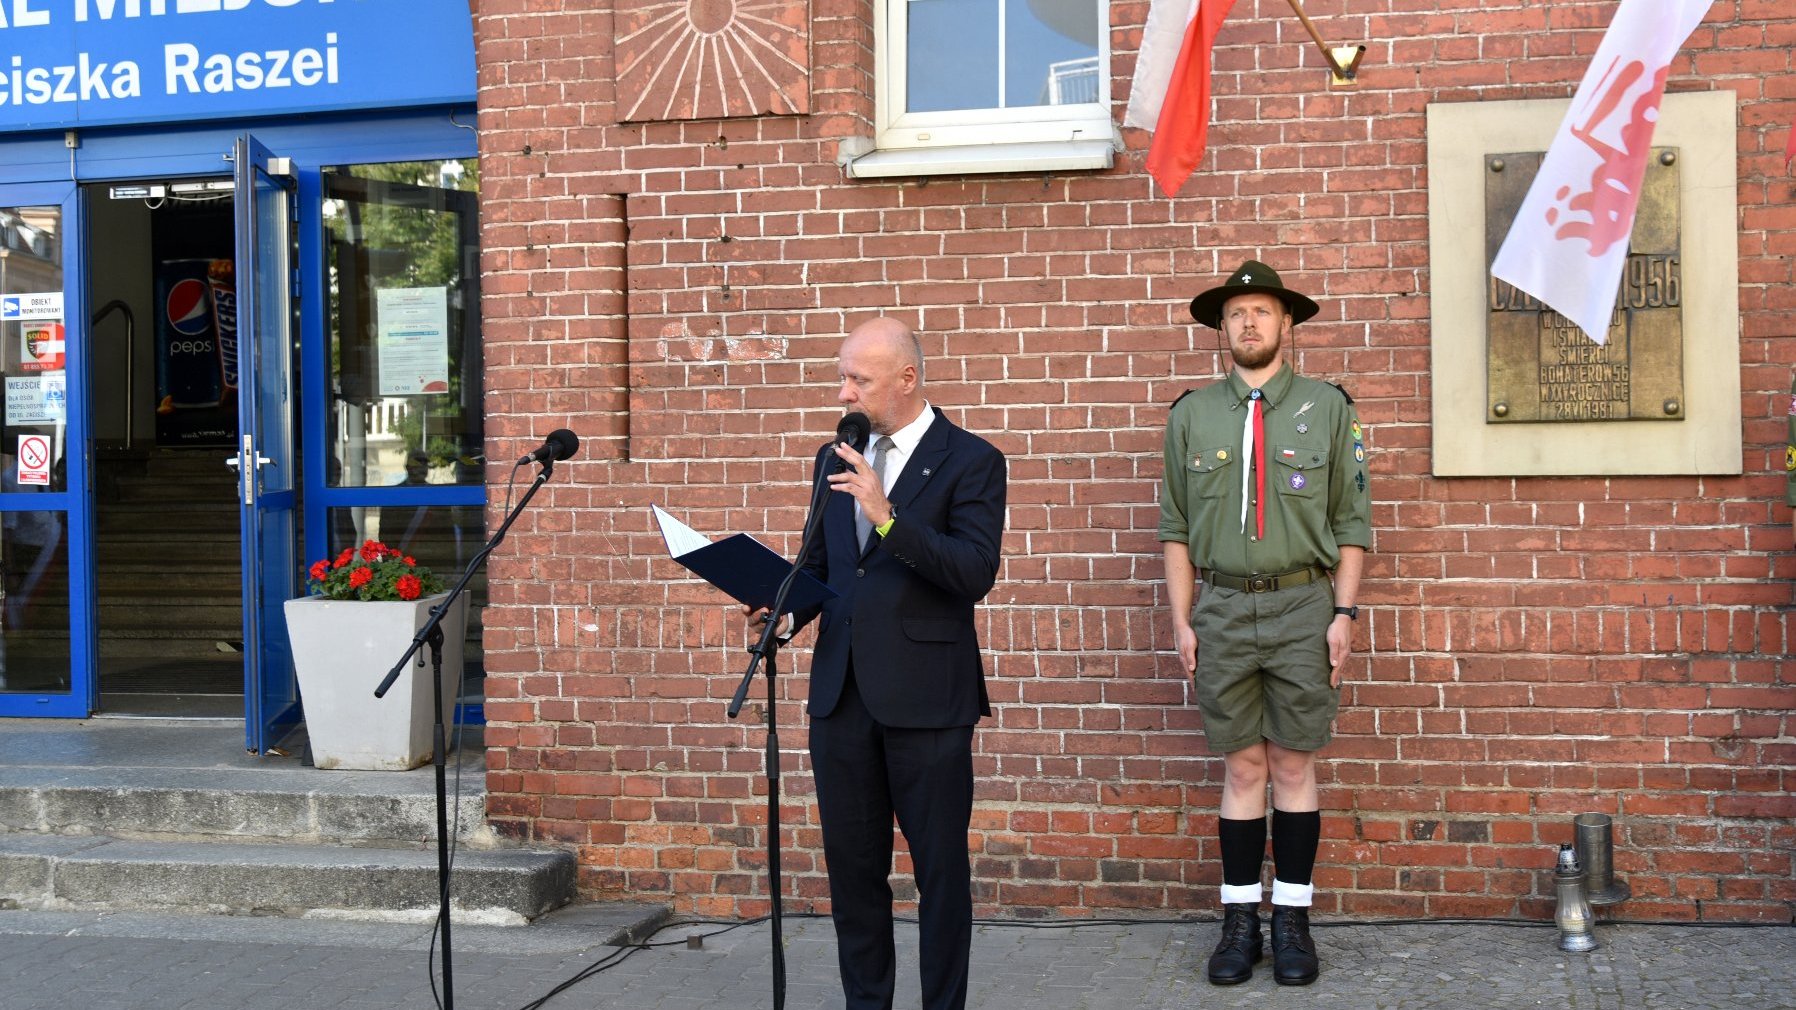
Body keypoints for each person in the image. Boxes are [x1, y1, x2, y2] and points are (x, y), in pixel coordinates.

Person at [752, 316, 1006, 1010]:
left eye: (857, 379)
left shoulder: (972, 460)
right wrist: (784, 611)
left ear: (906, 379)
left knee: (940, 875)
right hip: (841, 696)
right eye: (843, 375)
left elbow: (973, 571)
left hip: (928, 700)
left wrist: (888, 517)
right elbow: (823, 563)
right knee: (854, 875)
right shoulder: (835, 455)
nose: (845, 392)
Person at [1158, 261, 1371, 987]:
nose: (1248, 323)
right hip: (1219, 606)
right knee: (1242, 766)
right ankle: (1240, 920)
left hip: (1302, 605)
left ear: (1288, 325)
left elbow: (1351, 521)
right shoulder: (1192, 415)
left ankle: (1294, 921)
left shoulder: (1328, 407)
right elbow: (1176, 531)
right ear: (1222, 328)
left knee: (1292, 764)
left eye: (1262, 312)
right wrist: (1183, 621)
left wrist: (1343, 613)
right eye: (1236, 313)